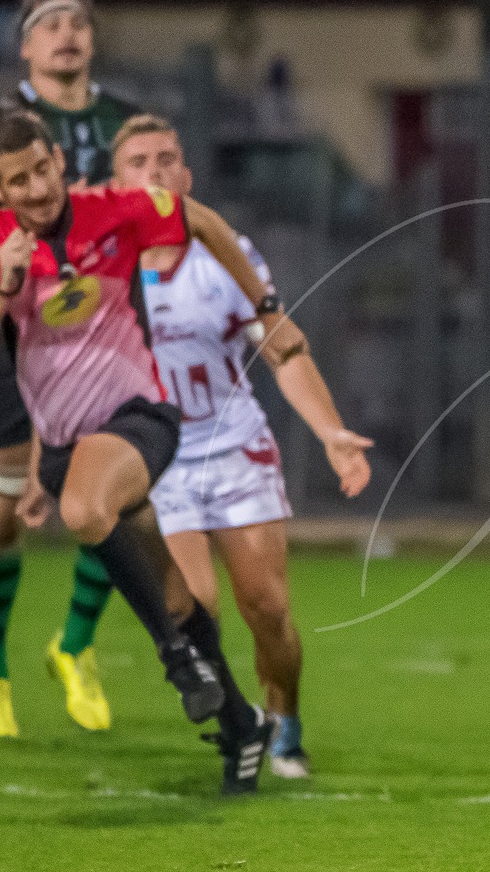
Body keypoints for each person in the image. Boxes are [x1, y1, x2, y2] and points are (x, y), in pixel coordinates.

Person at [0, 107, 290, 794]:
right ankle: (243, 724)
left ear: (60, 161)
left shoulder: (115, 209)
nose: (37, 188)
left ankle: (176, 660)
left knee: (86, 509)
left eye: (43, 170)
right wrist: (2, 292)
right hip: (67, 445)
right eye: (19, 180)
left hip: (140, 417)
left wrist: (266, 305)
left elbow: (202, 219)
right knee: (176, 588)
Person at [116, 116, 374, 780]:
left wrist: (330, 432)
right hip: (159, 457)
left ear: (187, 179)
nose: (154, 170)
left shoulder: (224, 258)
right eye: (138, 160)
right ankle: (241, 725)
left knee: (268, 608)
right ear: (115, 183)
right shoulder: (105, 271)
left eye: (167, 158)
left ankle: (283, 719)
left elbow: (282, 349)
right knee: (192, 609)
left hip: (233, 446)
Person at [0, 0, 143, 738]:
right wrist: (40, 211)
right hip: (19, 334)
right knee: (1, 519)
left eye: (78, 22)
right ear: (26, 44)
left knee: (110, 500)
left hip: (101, 333)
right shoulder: (2, 129)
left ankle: (75, 647)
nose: (66, 34)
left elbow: (157, 204)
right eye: (49, 23)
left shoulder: (122, 119)